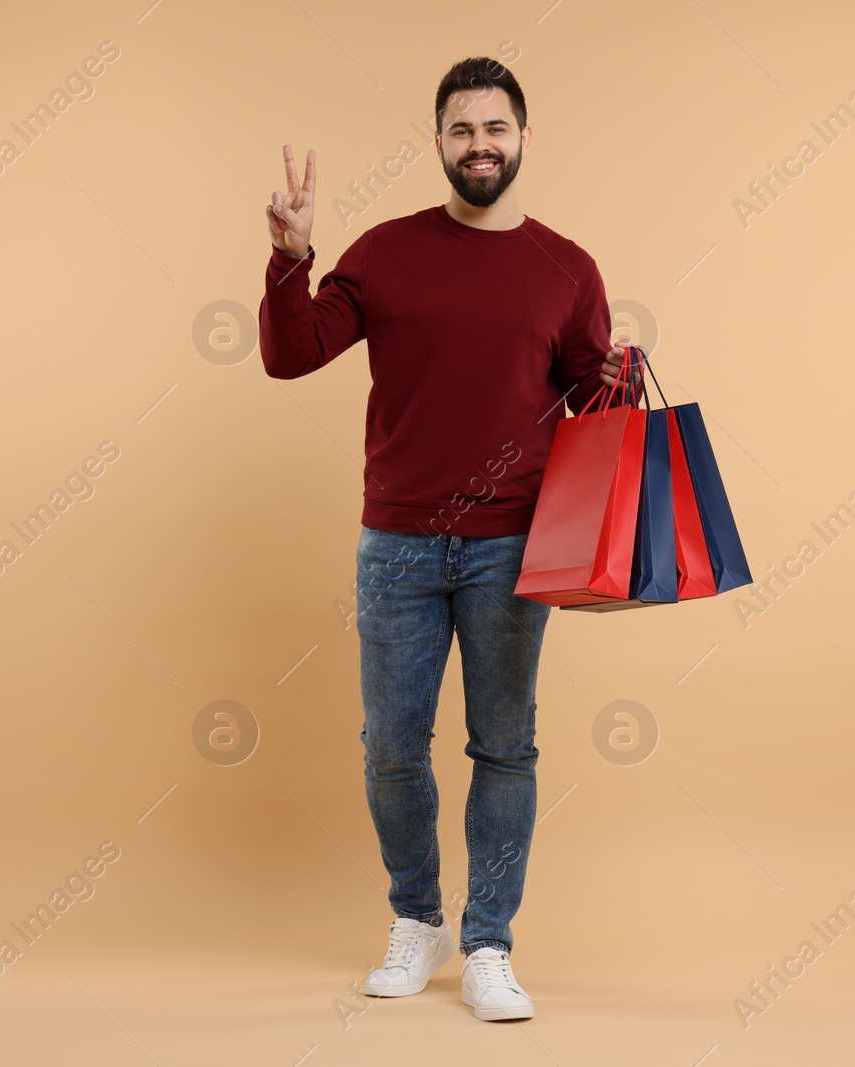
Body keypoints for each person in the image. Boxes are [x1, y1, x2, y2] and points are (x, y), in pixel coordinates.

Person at [258, 56, 640, 1022]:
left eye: (496, 129)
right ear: (437, 143)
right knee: (391, 747)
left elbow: (592, 403)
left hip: (515, 545)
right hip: (396, 544)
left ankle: (488, 943)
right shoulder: (386, 252)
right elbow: (290, 355)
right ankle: (416, 915)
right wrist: (291, 258)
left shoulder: (567, 267)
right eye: (462, 130)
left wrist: (620, 376)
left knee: (504, 747)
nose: (480, 145)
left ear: (521, 139)